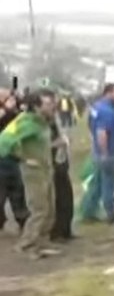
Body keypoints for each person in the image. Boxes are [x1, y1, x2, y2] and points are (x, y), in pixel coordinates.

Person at [0, 90, 58, 258]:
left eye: (52, 102)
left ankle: (42, 243)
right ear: (36, 106)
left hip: (46, 169)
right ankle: (26, 245)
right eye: (48, 103)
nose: (52, 105)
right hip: (33, 172)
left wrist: (56, 144)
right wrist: (22, 158)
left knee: (49, 208)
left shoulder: (42, 122)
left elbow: (37, 143)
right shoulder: (25, 122)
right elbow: (4, 141)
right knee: (38, 210)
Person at [79, 83, 114, 223]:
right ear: (108, 93)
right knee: (108, 184)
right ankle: (110, 214)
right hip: (108, 152)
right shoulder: (107, 111)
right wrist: (105, 153)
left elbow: (91, 126)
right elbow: (102, 132)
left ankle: (88, 212)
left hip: (98, 151)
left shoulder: (97, 107)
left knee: (97, 184)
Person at [0, 89, 29, 235]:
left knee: (17, 189)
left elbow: (21, 121)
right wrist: (6, 108)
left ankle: (22, 220)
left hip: (12, 156)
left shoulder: (14, 113)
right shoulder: (5, 111)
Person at [48, 116, 74, 242]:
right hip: (50, 165)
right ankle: (56, 232)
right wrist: (55, 144)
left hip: (61, 163)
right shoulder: (37, 124)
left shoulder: (55, 120)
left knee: (67, 199)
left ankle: (66, 230)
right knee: (57, 200)